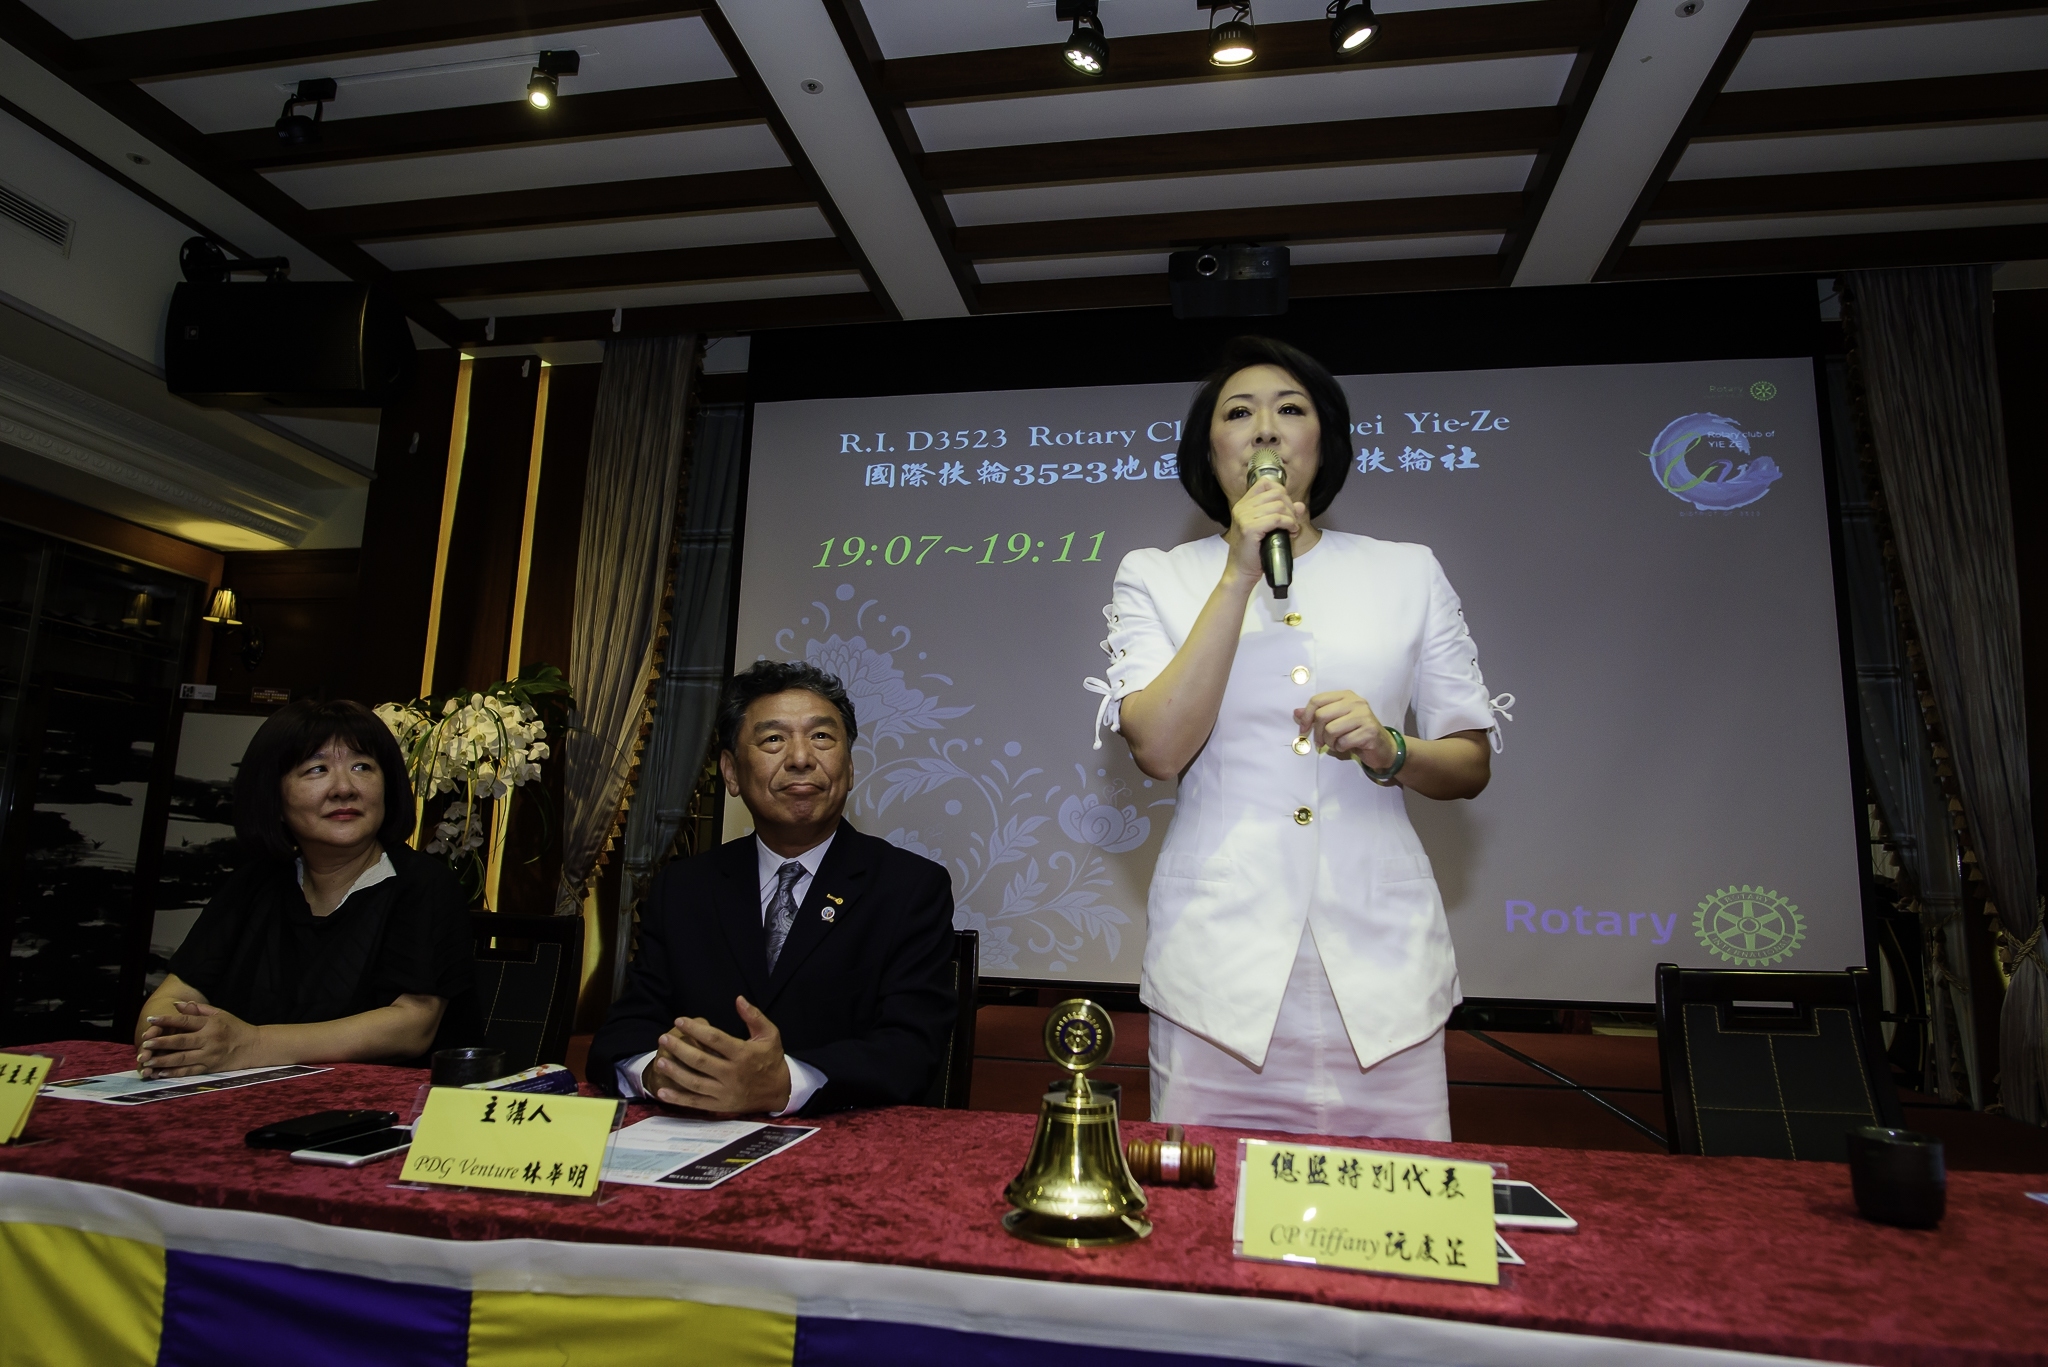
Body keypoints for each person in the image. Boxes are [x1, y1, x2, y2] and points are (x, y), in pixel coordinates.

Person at [1095, 336, 1497, 1140]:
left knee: (1396, 1201)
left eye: (1290, 409)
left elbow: (1469, 761)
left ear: (1324, 440)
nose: (1265, 430)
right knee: (1206, 1207)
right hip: (1218, 979)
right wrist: (1238, 571)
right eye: (1238, 413)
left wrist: (1391, 748)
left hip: (1386, 978)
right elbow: (1160, 749)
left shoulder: (1408, 571)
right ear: (1210, 449)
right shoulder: (1158, 575)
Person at [590, 661, 957, 1116]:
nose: (801, 758)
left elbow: (910, 1051)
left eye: (821, 737)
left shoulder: (909, 888)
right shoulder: (684, 889)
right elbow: (625, 1033)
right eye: (773, 740)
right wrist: (658, 1073)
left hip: (843, 1138)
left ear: (849, 767)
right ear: (731, 772)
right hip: (697, 1133)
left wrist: (784, 1083)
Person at [134, 699, 479, 1078]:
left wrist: (251, 1045)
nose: (344, 788)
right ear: (274, 796)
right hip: (254, 1093)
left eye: (362, 766)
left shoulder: (423, 884)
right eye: (317, 769)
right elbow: (173, 995)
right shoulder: (254, 883)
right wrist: (173, 1040)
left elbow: (412, 1026)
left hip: (381, 1102)